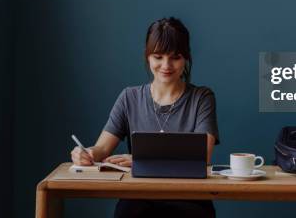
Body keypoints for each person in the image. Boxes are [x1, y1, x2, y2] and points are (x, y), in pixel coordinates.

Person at [71, 17, 219, 218]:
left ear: (186, 58)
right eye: (158, 57)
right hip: (138, 197)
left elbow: (202, 156)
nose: (166, 65)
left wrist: (141, 160)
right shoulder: (129, 97)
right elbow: (102, 149)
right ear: (148, 57)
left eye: (175, 57)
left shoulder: (202, 97)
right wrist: (86, 153)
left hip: (189, 198)